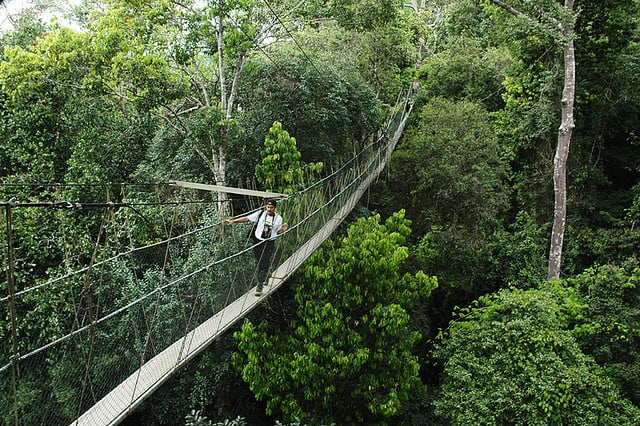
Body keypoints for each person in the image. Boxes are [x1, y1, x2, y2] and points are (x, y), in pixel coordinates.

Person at [225, 199, 288, 296]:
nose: (269, 209)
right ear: (266, 207)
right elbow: (247, 218)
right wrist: (233, 221)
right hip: (258, 241)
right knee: (259, 261)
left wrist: (283, 228)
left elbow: (278, 231)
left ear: (275, 208)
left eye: (271, 207)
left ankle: (260, 284)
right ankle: (267, 274)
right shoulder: (260, 214)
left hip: (269, 242)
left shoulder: (279, 218)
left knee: (264, 262)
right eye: (268, 207)